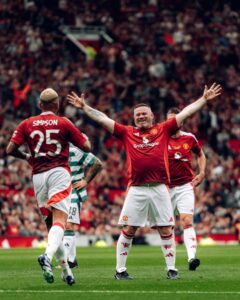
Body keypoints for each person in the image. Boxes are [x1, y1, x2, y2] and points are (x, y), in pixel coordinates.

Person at [67, 83, 222, 280]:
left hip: (160, 188)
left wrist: (203, 100)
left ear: (152, 116)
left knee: (166, 229)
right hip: (137, 189)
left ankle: (172, 269)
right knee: (129, 229)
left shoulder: (164, 129)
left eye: (144, 114)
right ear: (134, 118)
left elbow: (185, 113)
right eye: (137, 115)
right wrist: (85, 107)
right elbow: (103, 119)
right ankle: (120, 271)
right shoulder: (127, 132)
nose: (141, 117)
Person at [6, 88, 91, 285]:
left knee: (52, 227)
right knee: (61, 220)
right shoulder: (63, 122)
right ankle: (47, 256)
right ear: (57, 104)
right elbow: (86, 146)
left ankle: (67, 272)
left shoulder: (27, 123)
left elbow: (10, 149)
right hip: (59, 172)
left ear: (39, 105)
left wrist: (28, 156)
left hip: (38, 176)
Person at [167, 107, 206, 271]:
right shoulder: (161, 138)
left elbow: (201, 154)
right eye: (170, 119)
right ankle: (170, 264)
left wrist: (202, 172)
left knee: (187, 221)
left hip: (185, 186)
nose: (173, 122)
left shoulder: (189, 138)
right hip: (165, 187)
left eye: (176, 119)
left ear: (182, 121)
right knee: (167, 226)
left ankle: (192, 258)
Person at [63, 143, 103, 268]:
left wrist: (85, 181)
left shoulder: (75, 151)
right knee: (64, 227)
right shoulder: (53, 152)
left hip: (73, 193)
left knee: (68, 225)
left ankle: (66, 261)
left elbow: (97, 163)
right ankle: (72, 260)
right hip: (59, 193)